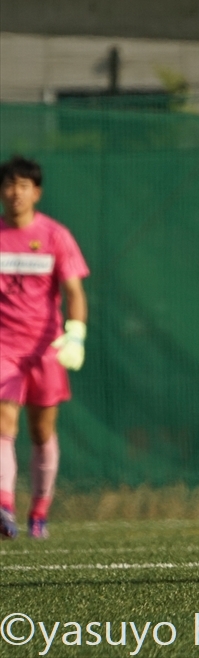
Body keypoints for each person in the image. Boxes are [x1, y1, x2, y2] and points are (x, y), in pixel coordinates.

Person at [0, 155, 89, 540]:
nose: (15, 193)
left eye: (23, 185)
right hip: (3, 348)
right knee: (4, 423)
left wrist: (76, 334)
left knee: (41, 432)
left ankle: (39, 513)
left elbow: (74, 291)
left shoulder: (55, 236)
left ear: (36, 192)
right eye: (9, 185)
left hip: (45, 350)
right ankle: (4, 508)